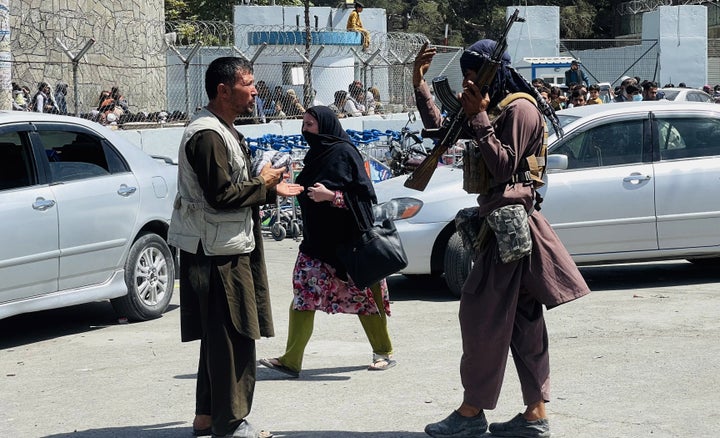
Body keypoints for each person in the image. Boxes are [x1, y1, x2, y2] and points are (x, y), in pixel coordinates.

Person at [413, 40, 590, 438]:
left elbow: (505, 164)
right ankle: (534, 414)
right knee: (524, 323)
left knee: (480, 317)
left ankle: (472, 412)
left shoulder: (520, 109)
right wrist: (420, 83)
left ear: (493, 71)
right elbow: (442, 132)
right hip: (504, 226)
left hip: (512, 228)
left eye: (474, 71)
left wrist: (479, 118)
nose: (468, 79)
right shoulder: (493, 106)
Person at [168, 56, 303, 438]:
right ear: (224, 90)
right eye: (248, 83)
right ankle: (231, 423)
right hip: (217, 252)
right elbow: (221, 195)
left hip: (220, 244)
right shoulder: (208, 135)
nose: (256, 90)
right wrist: (264, 182)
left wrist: (269, 187)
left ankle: (207, 417)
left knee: (219, 335)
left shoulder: (222, 129)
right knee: (234, 336)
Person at [259, 105, 396, 379]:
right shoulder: (315, 155)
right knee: (303, 297)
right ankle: (291, 360)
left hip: (349, 246)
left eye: (310, 124)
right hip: (316, 245)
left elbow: (364, 201)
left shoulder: (345, 153)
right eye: (304, 124)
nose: (305, 129)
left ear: (326, 126)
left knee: (365, 298)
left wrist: (332, 197)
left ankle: (384, 352)